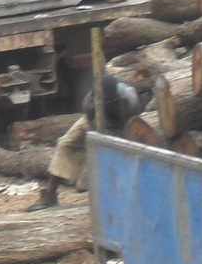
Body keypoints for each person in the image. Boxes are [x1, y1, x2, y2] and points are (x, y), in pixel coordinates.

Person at [26, 74, 141, 211]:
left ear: (117, 97)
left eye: (112, 101)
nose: (109, 104)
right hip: (95, 123)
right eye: (105, 102)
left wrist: (119, 137)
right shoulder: (90, 102)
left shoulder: (129, 97)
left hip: (123, 126)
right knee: (65, 144)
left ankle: (127, 195)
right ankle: (49, 195)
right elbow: (91, 126)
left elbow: (136, 123)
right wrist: (100, 133)